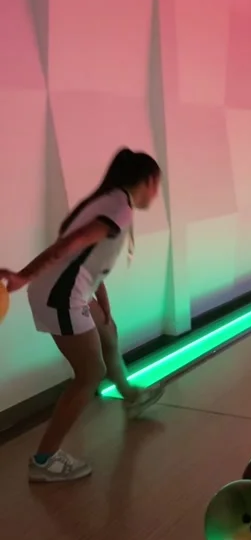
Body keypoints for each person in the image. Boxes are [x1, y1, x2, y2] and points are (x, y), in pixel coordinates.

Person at [0, 148, 165, 483]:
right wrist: (22, 276)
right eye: (156, 185)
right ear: (147, 181)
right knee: (90, 374)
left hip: (72, 290)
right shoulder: (118, 208)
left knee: (108, 332)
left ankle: (130, 396)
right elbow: (71, 245)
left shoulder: (110, 200)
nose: (156, 194)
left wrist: (103, 304)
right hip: (59, 297)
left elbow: (89, 265)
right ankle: (43, 461)